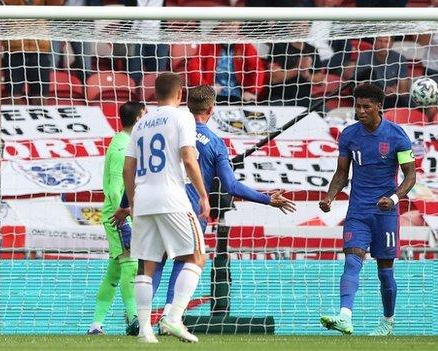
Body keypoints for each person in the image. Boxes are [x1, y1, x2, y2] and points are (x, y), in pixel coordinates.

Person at [113, 85, 296, 332]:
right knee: (186, 260)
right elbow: (231, 185)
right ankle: (170, 317)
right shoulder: (215, 143)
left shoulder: (169, 132)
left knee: (153, 263)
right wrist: (266, 199)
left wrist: (125, 205)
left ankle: (139, 321)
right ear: (211, 109)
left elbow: (136, 172)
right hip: (187, 210)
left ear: (187, 106)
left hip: (154, 204)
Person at [318, 83, 416, 336]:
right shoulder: (349, 135)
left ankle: (387, 322)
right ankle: (345, 317)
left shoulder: (397, 136)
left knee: (385, 273)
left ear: (379, 106)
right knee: (352, 261)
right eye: (357, 106)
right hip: (358, 211)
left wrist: (393, 199)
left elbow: (410, 177)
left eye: (366, 107)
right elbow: (341, 173)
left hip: (385, 214)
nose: (360, 111)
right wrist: (329, 197)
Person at [123, 72, 210, 343]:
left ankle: (145, 331)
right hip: (172, 196)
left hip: (144, 198)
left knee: (145, 267)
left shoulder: (141, 122)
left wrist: (133, 199)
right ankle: (173, 318)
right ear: (180, 93)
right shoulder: (182, 116)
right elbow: (187, 156)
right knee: (196, 256)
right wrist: (203, 194)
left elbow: (128, 168)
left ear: (154, 94)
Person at [88, 102, 145, 336]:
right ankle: (134, 319)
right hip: (119, 217)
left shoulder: (126, 143)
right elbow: (114, 188)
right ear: (139, 118)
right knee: (131, 267)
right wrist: (127, 212)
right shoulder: (121, 146)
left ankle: (95, 325)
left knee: (115, 271)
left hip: (123, 214)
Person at [186, 22, 266, 104]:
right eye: (227, 24)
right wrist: (206, 87)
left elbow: (257, 68)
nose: (231, 28)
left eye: (234, 25)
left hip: (239, 97)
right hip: (213, 95)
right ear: (218, 27)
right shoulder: (208, 44)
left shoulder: (245, 45)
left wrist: (252, 91)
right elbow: (193, 66)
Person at [355, 36, 411, 109]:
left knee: (407, 102)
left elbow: (403, 90)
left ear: (391, 44)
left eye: (386, 42)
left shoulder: (400, 59)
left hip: (392, 99)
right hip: (371, 97)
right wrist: (381, 91)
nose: (383, 45)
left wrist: (394, 91)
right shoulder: (364, 57)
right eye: (380, 41)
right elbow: (359, 86)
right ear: (374, 42)